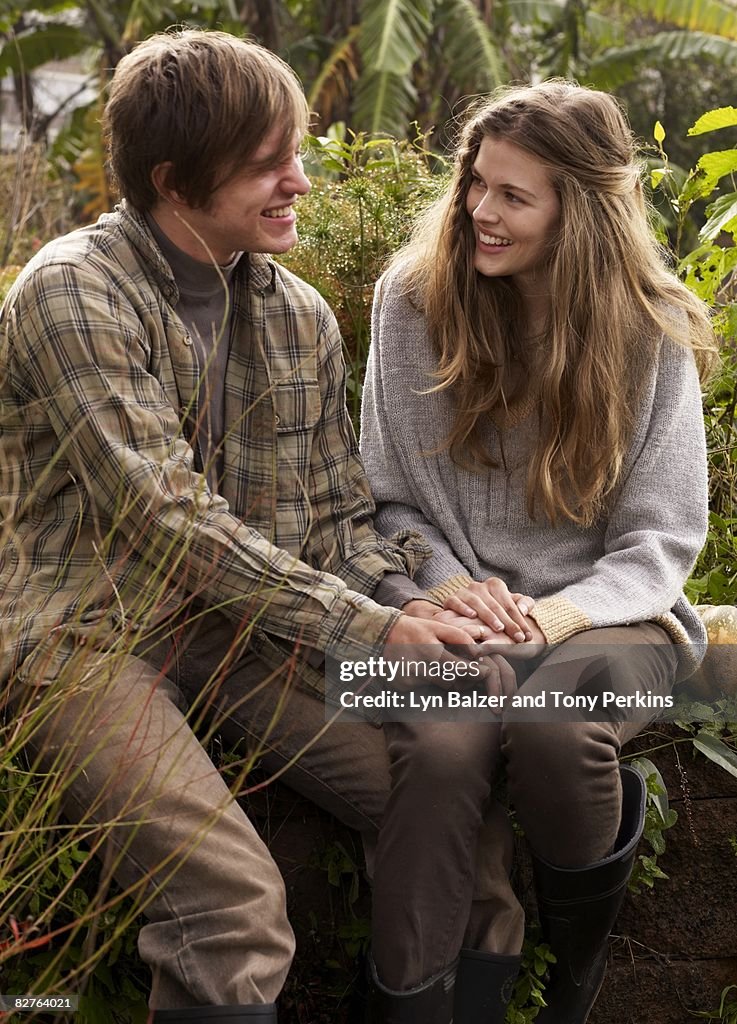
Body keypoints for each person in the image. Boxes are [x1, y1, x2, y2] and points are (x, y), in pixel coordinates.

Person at [0, 29, 518, 1023]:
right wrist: (370, 630)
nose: (299, 183)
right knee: (234, 904)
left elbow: (330, 520)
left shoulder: (297, 316)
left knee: (453, 802)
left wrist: (433, 600)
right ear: (172, 180)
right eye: (265, 166)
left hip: (231, 626)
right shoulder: (73, 292)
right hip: (80, 638)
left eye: (297, 152)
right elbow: (168, 519)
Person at [359, 80, 717, 1023]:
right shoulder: (412, 302)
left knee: (556, 724)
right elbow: (386, 494)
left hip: (613, 617)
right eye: (476, 183)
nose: (479, 209)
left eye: (513, 196)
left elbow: (662, 536)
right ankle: (420, 1007)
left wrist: (551, 618)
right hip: (449, 613)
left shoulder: (649, 328)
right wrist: (450, 591)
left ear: (581, 213)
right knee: (438, 756)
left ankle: (576, 973)